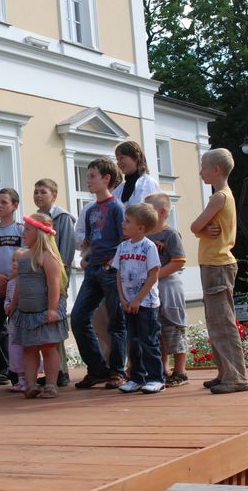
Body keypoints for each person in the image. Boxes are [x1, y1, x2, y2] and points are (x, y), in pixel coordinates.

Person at [190, 148, 248, 394]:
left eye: (203, 167)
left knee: (222, 322)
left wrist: (200, 230)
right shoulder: (224, 196)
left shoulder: (219, 197)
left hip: (217, 265)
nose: (200, 172)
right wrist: (202, 231)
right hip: (215, 264)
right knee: (216, 321)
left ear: (216, 170)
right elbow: (200, 229)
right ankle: (225, 373)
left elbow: (194, 226)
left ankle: (236, 377)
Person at [71, 157, 127, 390]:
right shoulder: (91, 209)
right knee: (78, 318)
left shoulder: (116, 208)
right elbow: (93, 240)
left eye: (93, 176)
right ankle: (97, 369)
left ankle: (117, 371)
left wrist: (112, 264)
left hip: (110, 271)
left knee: (116, 321)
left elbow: (125, 239)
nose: (88, 180)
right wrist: (86, 258)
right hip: (93, 270)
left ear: (106, 178)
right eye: (88, 176)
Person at [9, 213, 69, 398]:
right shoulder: (23, 256)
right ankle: (31, 384)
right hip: (27, 312)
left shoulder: (47, 256)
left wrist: (52, 309)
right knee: (29, 348)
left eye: (27, 229)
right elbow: (19, 283)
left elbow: (54, 284)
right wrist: (13, 304)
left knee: (48, 348)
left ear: (40, 233)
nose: (23, 233)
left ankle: (51, 384)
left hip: (43, 313)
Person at [112, 203, 165, 394]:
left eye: (127, 221)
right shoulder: (122, 247)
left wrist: (138, 299)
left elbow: (153, 275)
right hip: (128, 303)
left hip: (146, 304)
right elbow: (118, 274)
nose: (123, 224)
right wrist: (122, 298)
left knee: (148, 341)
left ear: (141, 227)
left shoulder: (148, 247)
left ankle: (156, 378)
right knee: (132, 342)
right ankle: (137, 377)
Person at [34, 178, 75, 387]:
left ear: (54, 195)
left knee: (56, 323)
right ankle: (53, 370)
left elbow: (66, 249)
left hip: (57, 279)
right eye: (36, 192)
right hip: (40, 280)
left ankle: (62, 370)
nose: (38, 195)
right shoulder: (36, 218)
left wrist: (60, 279)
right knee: (46, 326)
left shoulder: (62, 218)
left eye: (43, 192)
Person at [145, 193, 189, 386]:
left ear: (162, 212)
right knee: (157, 329)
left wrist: (155, 276)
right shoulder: (144, 235)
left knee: (174, 327)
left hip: (169, 288)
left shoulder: (170, 234)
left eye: (149, 209)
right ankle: (163, 369)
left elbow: (178, 261)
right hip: (151, 289)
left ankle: (180, 371)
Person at [0, 188, 24, 386]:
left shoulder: (21, 230)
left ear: (15, 206)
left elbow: (25, 257)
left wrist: (10, 281)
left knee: (16, 334)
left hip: (17, 289)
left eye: (4, 202)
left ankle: (17, 375)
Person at [112, 141, 160, 208]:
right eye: (117, 159)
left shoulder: (148, 183)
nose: (118, 163)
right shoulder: (120, 189)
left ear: (136, 157)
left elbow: (151, 211)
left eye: (122, 158)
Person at [4, 251, 26, 392]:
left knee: (26, 350)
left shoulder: (27, 282)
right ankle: (20, 379)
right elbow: (7, 299)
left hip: (24, 322)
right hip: (13, 323)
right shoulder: (11, 283)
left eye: (18, 261)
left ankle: (29, 379)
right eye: (13, 260)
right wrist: (7, 306)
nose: (14, 263)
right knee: (15, 351)